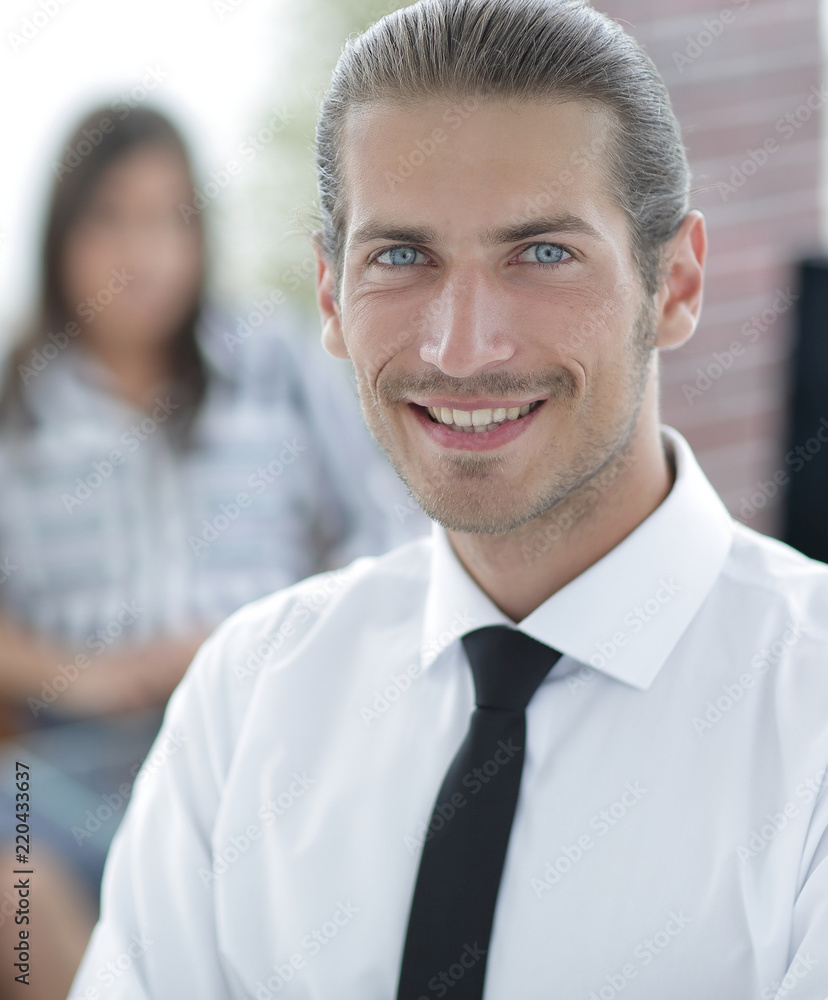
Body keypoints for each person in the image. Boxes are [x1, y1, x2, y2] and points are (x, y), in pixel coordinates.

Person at [70, 1, 828, 998]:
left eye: (543, 253)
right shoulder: (246, 701)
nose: (461, 348)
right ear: (332, 296)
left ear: (676, 283)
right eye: (401, 257)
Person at [0, 105, 427, 1000]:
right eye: (110, 217)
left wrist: (274, 641)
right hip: (80, 754)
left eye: (169, 219)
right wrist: (88, 675)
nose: (142, 253)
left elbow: (388, 525)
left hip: (264, 726)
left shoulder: (270, 361)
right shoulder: (17, 406)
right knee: (12, 874)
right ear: (60, 234)